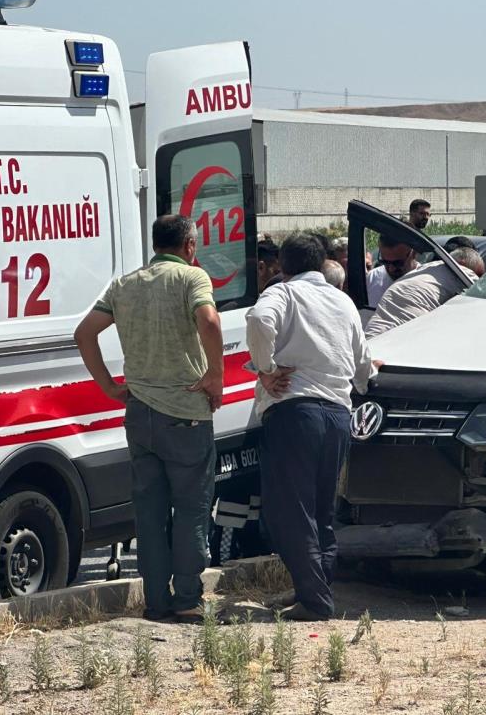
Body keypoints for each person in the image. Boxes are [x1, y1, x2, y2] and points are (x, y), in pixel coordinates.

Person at [73, 215, 224, 623]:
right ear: (190, 246)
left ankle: (156, 601)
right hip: (187, 413)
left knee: (150, 512)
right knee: (191, 508)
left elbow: (84, 333)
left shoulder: (124, 285)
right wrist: (215, 375)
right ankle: (189, 599)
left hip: (139, 412)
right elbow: (209, 321)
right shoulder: (193, 279)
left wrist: (108, 385)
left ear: (155, 245)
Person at [246, 233, 378, 621]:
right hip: (338, 414)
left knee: (291, 510)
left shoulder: (283, 294)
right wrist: (366, 379)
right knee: (322, 511)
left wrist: (266, 369)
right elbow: (362, 361)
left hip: (294, 411)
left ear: (283, 266)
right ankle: (315, 588)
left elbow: (257, 320)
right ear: (322, 264)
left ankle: (315, 600)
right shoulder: (343, 301)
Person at [365, 247, 484, 338]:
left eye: (398, 263)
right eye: (479, 275)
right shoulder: (464, 273)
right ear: (462, 264)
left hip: (373, 339)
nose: (479, 278)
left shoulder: (423, 271)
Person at [366, 236, 418, 307]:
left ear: (414, 253)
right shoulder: (371, 279)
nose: (391, 269)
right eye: (385, 262)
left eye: (398, 263)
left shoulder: (425, 282)